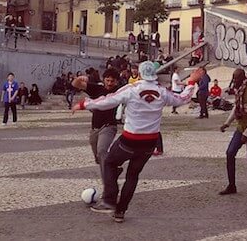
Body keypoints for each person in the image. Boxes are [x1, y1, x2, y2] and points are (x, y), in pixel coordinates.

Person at [73, 62, 203, 222]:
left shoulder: (131, 89)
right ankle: (120, 212)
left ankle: (109, 200)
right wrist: (191, 82)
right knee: (133, 175)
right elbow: (183, 99)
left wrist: (84, 104)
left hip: (130, 139)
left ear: (140, 74)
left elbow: (107, 101)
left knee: (108, 162)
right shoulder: (162, 92)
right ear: (154, 75)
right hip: (150, 142)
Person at [71, 68, 123, 204]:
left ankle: (109, 191)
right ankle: (113, 170)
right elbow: (75, 85)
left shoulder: (119, 92)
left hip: (109, 126)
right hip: (94, 129)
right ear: (103, 79)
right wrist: (80, 79)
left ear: (116, 81)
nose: (110, 83)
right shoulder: (97, 89)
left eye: (112, 81)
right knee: (100, 159)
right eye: (107, 80)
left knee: (102, 152)